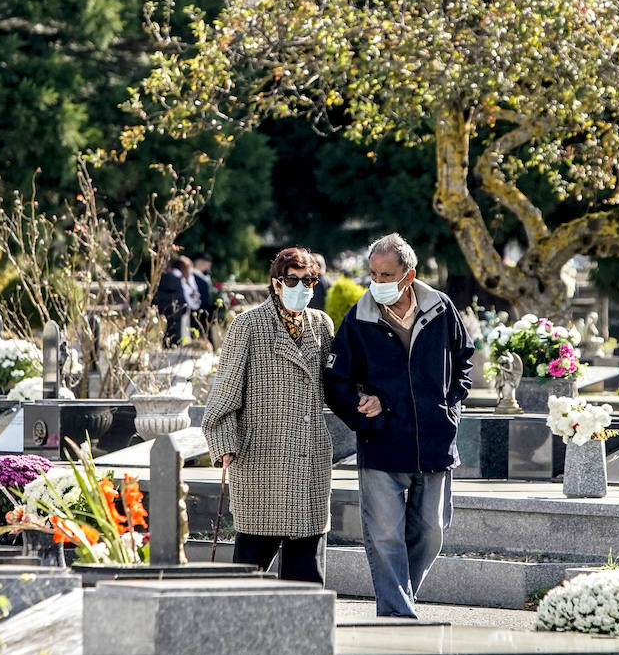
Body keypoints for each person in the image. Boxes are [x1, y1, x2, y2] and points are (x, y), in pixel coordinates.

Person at [324, 233, 474, 617]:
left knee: (431, 533)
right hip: (382, 444)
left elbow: (464, 363)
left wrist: (449, 406)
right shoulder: (358, 319)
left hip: (435, 443)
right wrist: (360, 408)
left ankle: (403, 598)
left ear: (409, 275)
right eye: (373, 273)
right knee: (386, 536)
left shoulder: (441, 308)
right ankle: (398, 613)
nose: (377, 282)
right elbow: (336, 382)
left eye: (386, 274)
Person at [202, 247, 333, 583]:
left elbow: (339, 383)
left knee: (306, 574)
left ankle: (305, 635)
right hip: (262, 464)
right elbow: (222, 397)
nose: (302, 287)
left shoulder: (321, 324)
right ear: (276, 283)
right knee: (249, 570)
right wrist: (224, 443)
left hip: (309, 460)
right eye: (294, 280)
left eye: (309, 281)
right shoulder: (248, 325)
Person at [152, 255, 197, 346]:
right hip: (177, 316)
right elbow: (190, 300)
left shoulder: (163, 277)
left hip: (161, 314)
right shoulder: (180, 280)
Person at [190, 253, 223, 343]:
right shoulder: (193, 276)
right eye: (208, 264)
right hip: (198, 311)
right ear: (201, 263)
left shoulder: (203, 276)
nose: (209, 267)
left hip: (205, 312)